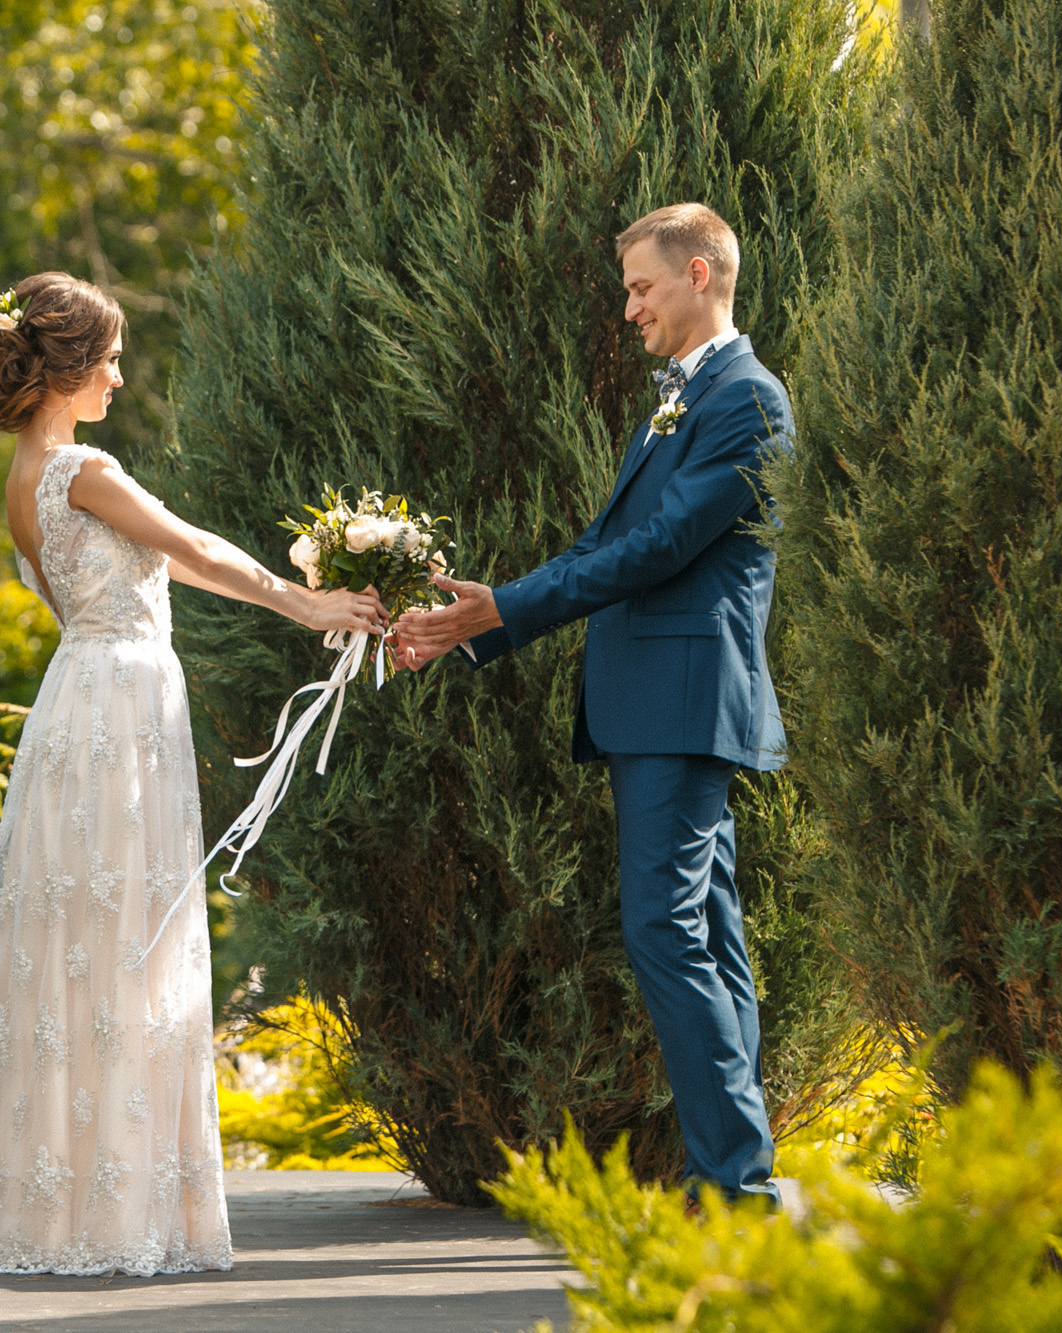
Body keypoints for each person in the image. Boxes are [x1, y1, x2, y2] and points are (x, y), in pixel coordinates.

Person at [0, 272, 387, 1274]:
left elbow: (171, 564)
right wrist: (305, 605)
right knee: (124, 949)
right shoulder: (82, 466)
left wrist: (292, 593)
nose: (117, 372)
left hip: (82, 701)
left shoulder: (25, 481)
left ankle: (64, 1211)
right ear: (63, 369)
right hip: (116, 709)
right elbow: (187, 543)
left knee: (82, 952)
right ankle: (115, 1215)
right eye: (106, 356)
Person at [393, 204, 789, 1208]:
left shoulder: (744, 399)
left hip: (685, 700)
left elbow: (661, 548)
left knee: (665, 926)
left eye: (639, 288)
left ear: (697, 274)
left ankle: (729, 1182)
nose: (627, 309)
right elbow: (605, 540)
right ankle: (737, 1173)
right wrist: (483, 615)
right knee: (703, 925)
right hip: (654, 701)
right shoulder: (676, 400)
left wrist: (511, 611)